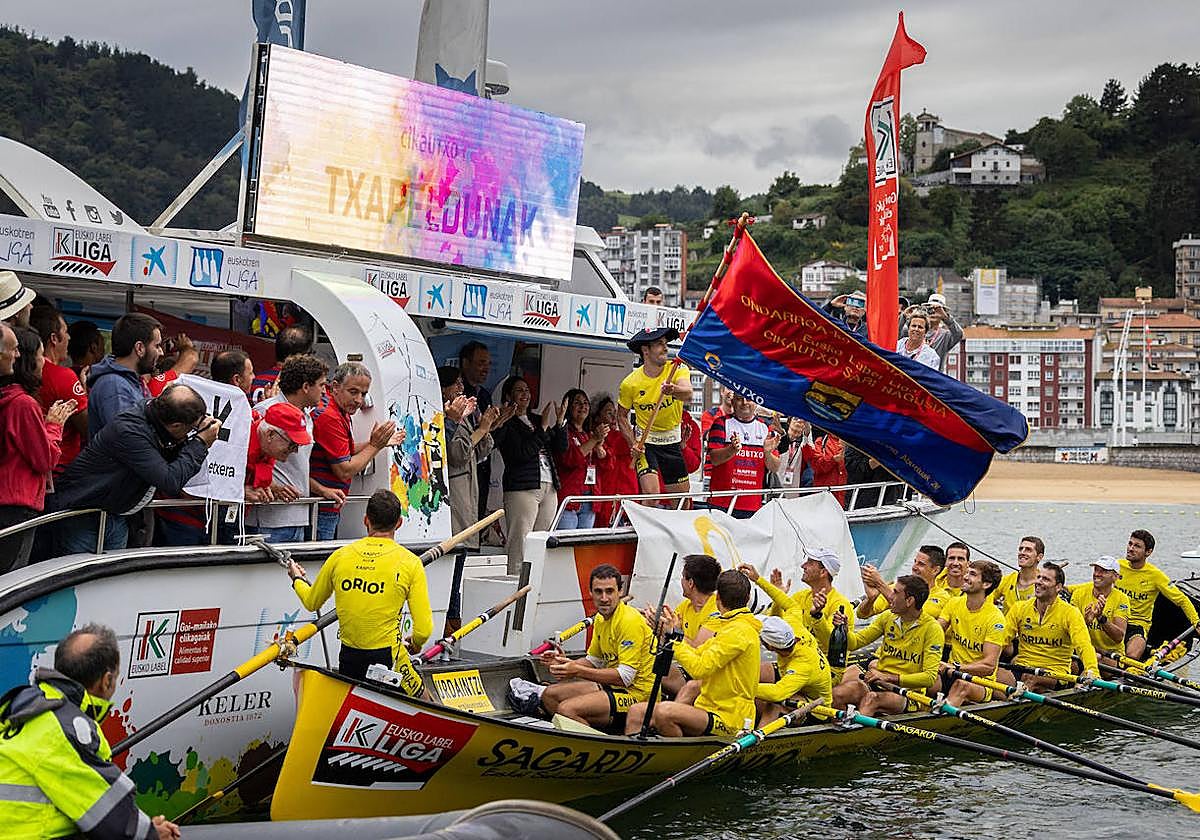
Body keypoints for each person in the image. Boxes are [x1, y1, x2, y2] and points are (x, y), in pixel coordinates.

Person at [0, 624, 180, 840]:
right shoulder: (65, 728)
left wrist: (144, 827)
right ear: (107, 681)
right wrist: (152, 834)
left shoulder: (27, 710)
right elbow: (111, 819)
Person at [47, 384, 219, 555]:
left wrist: (193, 439)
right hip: (83, 515)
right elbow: (169, 480)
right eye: (190, 429)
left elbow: (168, 460)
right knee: (78, 578)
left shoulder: (153, 419)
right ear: (175, 425)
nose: (192, 433)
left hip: (114, 513)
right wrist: (200, 443)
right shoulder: (130, 431)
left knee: (111, 578)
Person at [287, 489, 432, 690]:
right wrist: (416, 644)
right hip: (388, 657)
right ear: (399, 523)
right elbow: (424, 630)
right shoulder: (411, 563)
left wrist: (296, 579)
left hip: (349, 657)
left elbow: (312, 602)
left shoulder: (340, 556)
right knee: (422, 696)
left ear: (366, 520)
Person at [625, 570, 761, 738]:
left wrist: (675, 641)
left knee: (664, 712)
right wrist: (672, 635)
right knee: (637, 711)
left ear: (717, 598)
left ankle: (675, 759)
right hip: (706, 708)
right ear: (747, 599)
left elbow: (699, 669)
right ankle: (638, 757)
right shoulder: (728, 626)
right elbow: (697, 653)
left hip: (731, 719)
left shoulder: (739, 631)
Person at [534, 565, 654, 730]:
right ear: (590, 593)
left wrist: (577, 671)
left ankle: (598, 745)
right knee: (549, 696)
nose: (604, 598)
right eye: (598, 592)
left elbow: (625, 678)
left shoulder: (629, 621)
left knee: (566, 709)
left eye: (610, 591)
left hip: (638, 695)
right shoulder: (600, 618)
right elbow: (594, 660)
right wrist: (564, 664)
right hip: (613, 688)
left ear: (620, 592)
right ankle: (587, 730)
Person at [0, 326, 77, 571]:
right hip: (15, 505)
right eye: (40, 355)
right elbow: (45, 460)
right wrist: (54, 427)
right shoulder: (23, 404)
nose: (45, 362)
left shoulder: (9, 398)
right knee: (11, 578)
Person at [309, 361, 404, 541]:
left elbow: (345, 450)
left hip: (327, 506)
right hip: (321, 508)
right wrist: (375, 445)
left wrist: (378, 443)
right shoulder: (329, 416)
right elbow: (344, 470)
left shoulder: (338, 410)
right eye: (353, 392)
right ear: (335, 387)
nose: (359, 400)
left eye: (364, 394)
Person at [439, 365, 501, 632]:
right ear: (445, 389)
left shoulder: (463, 416)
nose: (461, 390)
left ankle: (452, 622)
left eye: (462, 385)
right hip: (455, 496)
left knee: (460, 564)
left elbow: (482, 451)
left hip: (469, 491)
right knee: (453, 564)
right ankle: (449, 624)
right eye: (457, 385)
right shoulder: (443, 416)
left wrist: (486, 425)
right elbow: (456, 455)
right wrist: (480, 429)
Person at [831, 574, 945, 715]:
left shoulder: (932, 629)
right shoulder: (888, 617)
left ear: (909, 601)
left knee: (872, 699)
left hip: (907, 693)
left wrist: (888, 677)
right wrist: (844, 629)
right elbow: (854, 643)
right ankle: (840, 728)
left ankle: (853, 731)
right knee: (837, 694)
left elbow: (929, 678)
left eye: (896, 593)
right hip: (878, 681)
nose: (891, 597)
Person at [247, 354, 331, 543]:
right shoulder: (265, 411)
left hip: (299, 514)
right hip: (269, 518)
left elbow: (298, 469)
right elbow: (243, 461)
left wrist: (322, 490)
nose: (325, 392)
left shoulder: (307, 417)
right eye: (321, 385)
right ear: (306, 387)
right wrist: (270, 486)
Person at [740, 547, 854, 678]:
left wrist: (817, 616)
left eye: (810, 563)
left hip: (821, 670)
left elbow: (830, 644)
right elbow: (776, 624)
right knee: (749, 674)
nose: (803, 565)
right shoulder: (801, 597)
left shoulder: (839, 604)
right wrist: (778, 598)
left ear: (823, 572)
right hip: (795, 661)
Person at [491, 375, 559, 574]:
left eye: (527, 390)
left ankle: (536, 581)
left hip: (549, 483)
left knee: (541, 538)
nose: (525, 394)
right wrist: (543, 430)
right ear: (508, 395)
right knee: (520, 538)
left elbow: (560, 447)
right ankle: (515, 582)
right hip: (522, 487)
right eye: (519, 390)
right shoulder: (507, 423)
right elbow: (520, 454)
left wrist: (560, 422)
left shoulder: (537, 419)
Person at [999, 562, 1099, 692]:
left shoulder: (1070, 613)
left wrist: (1092, 670)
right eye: (1039, 577)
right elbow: (1001, 640)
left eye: (1045, 579)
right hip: (1022, 668)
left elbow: (1083, 645)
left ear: (1058, 587)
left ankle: (1015, 700)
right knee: (995, 673)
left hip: (1055, 674)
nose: (1039, 582)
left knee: (1032, 678)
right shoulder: (1019, 608)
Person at [617, 327, 693, 499]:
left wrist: (673, 390)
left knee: (681, 500)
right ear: (645, 350)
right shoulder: (630, 383)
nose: (665, 348)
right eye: (659, 344)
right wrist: (633, 443)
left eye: (666, 343)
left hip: (671, 440)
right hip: (646, 442)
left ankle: (675, 526)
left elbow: (688, 394)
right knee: (651, 495)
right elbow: (621, 416)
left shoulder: (677, 368)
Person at [642, 553, 722, 700]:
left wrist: (670, 631)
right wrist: (656, 625)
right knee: (646, 664)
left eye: (683, 578)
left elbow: (697, 650)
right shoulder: (686, 606)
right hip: (687, 671)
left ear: (690, 583)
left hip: (709, 677)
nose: (681, 582)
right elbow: (669, 637)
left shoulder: (716, 611)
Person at [1116, 529, 1200, 659]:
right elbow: (1093, 585)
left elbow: (1182, 600)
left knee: (1131, 656)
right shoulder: (1117, 566)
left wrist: (1196, 622)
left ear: (1148, 552)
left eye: (1137, 546)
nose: (1130, 548)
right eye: (1130, 544)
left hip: (1138, 625)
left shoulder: (1156, 576)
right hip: (1114, 620)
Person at [937, 559, 1007, 706]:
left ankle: (940, 716)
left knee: (962, 685)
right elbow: (934, 632)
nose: (966, 577)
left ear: (986, 584)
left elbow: (988, 666)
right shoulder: (954, 603)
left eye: (973, 574)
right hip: (952, 673)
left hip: (980, 682)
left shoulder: (995, 619)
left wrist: (956, 667)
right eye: (967, 572)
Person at [30, 305, 89, 473]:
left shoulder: (22, 372)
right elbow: (88, 428)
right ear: (54, 338)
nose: (69, 337)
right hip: (60, 469)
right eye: (66, 331)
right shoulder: (63, 376)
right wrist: (84, 392)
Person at [87, 313, 164, 437]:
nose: (161, 352)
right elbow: (128, 440)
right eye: (157, 346)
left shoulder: (132, 382)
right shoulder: (114, 386)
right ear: (139, 348)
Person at [706, 393, 780, 518]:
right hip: (721, 503)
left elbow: (775, 467)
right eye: (740, 399)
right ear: (733, 402)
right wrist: (732, 449)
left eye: (749, 399)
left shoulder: (765, 428)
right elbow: (714, 459)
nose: (745, 402)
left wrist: (767, 453)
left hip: (753, 505)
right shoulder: (721, 423)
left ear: (755, 403)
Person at [755, 615, 833, 723]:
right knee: (760, 670)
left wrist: (738, 688)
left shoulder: (802, 665)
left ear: (770, 647)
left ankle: (760, 736)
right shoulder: (793, 625)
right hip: (798, 684)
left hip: (817, 709)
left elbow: (777, 693)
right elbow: (791, 605)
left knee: (774, 702)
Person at [551, 388, 606, 529]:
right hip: (569, 499)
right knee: (566, 548)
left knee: (582, 549)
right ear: (568, 407)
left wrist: (599, 448)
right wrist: (594, 440)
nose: (583, 406)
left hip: (589, 498)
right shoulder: (562, 432)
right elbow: (569, 460)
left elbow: (607, 467)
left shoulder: (589, 434)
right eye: (577, 403)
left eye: (585, 402)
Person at [858, 545, 948, 619]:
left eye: (921, 564)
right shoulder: (895, 588)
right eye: (915, 562)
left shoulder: (942, 597)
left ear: (935, 570)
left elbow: (915, 614)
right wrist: (871, 599)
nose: (914, 567)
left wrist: (880, 584)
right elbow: (862, 614)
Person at [245, 402, 310, 504]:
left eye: (298, 446)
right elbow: (214, 474)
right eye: (292, 444)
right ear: (270, 434)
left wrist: (276, 489)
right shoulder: (239, 437)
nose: (295, 451)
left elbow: (261, 475)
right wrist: (240, 491)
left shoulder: (268, 448)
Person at [1069, 555, 1131, 661]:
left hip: (1110, 654)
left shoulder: (1122, 599)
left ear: (1115, 577)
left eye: (1104, 571)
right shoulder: (1079, 593)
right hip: (1084, 650)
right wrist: (1086, 622)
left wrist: (1101, 618)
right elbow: (1070, 633)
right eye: (1096, 570)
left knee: (1096, 658)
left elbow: (1119, 637)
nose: (1097, 574)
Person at [458, 340, 493, 520]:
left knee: (478, 518)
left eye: (488, 363)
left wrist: (497, 423)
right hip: (463, 468)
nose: (486, 368)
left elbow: (488, 431)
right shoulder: (459, 394)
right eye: (481, 363)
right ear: (465, 363)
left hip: (483, 467)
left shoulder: (485, 395)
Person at [590, 394, 637, 528]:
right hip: (607, 497)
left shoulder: (624, 436)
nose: (614, 417)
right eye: (609, 412)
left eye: (616, 413)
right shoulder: (596, 437)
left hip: (627, 496)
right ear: (597, 417)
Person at [250, 325, 312, 404]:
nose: (310, 359)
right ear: (297, 357)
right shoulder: (302, 387)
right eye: (309, 353)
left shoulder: (254, 380)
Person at [902, 294, 962, 370]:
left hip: (933, 377)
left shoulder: (945, 336)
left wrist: (946, 317)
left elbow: (959, 334)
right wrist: (904, 316)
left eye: (937, 310)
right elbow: (895, 334)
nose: (933, 312)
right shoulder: (914, 330)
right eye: (929, 309)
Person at [994, 536, 1043, 614]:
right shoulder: (1006, 580)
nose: (1022, 552)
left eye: (1028, 550)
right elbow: (987, 599)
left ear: (1039, 557)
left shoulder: (1044, 585)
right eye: (1021, 549)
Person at [802, 428, 847, 506]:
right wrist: (833, 460)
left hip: (844, 496)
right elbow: (817, 466)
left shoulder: (852, 444)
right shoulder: (821, 441)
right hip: (823, 495)